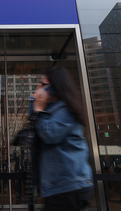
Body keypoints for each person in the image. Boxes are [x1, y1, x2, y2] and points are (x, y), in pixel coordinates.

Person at [31, 66, 93, 211]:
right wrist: (36, 106)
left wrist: (39, 109)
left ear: (56, 86)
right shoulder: (50, 109)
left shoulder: (66, 110)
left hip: (69, 186)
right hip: (58, 186)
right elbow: (34, 126)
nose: (39, 88)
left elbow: (48, 134)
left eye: (44, 85)